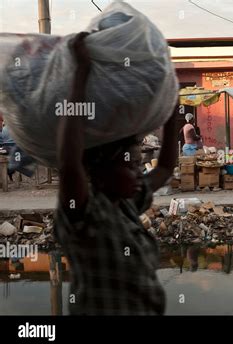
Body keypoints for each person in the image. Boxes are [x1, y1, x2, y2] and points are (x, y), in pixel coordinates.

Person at [54, 32, 177, 315]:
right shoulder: (83, 213)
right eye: (131, 165)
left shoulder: (127, 204)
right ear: (101, 169)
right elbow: (69, 162)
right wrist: (81, 74)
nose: (138, 172)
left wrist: (170, 107)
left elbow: (166, 168)